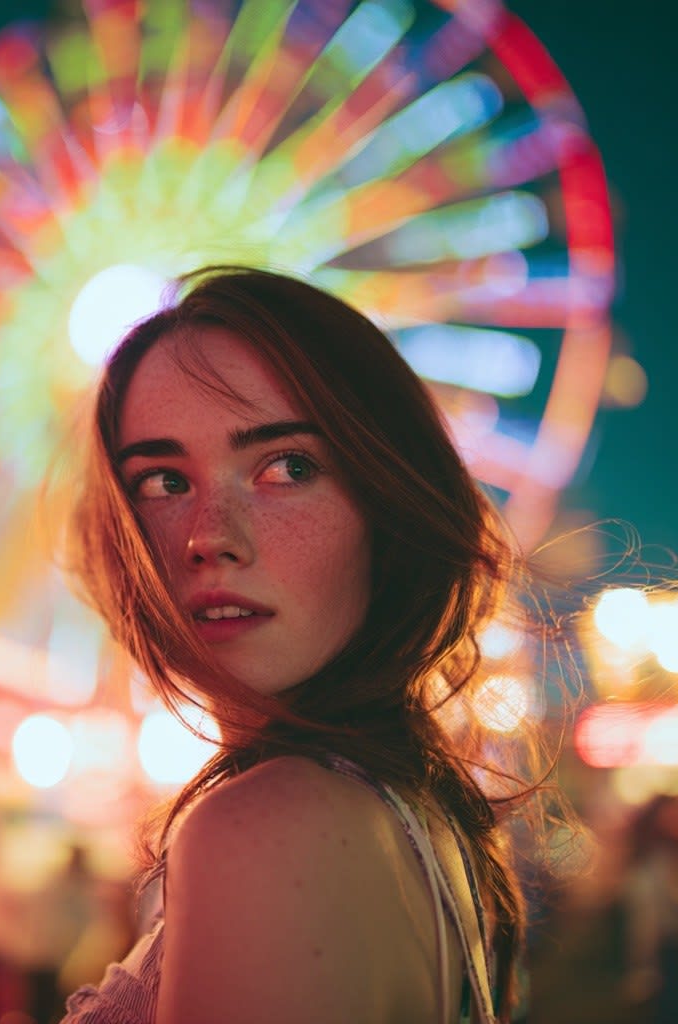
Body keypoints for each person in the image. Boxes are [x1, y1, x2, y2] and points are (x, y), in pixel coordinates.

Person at [58, 266, 541, 1024]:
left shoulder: (268, 831)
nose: (209, 538)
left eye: (287, 468)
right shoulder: (409, 819)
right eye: (162, 482)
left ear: (387, 502)